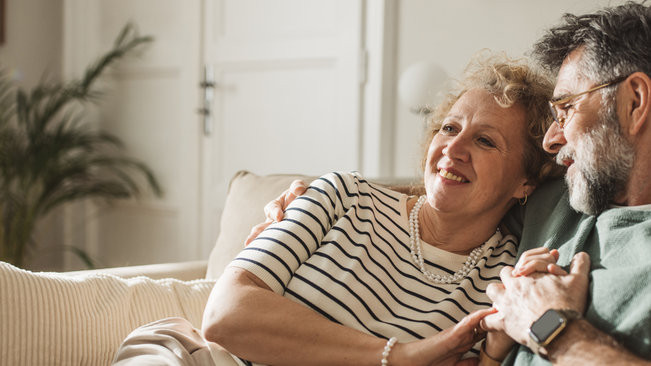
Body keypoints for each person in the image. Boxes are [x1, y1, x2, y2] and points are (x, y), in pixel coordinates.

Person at [256, 1, 651, 365]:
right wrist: (316, 196)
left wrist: (554, 329)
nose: (551, 139)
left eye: (566, 110)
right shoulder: (562, 199)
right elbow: (457, 187)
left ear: (634, 101)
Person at [111, 51, 563, 366]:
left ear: (527, 181)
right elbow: (225, 316)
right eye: (449, 127)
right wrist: (398, 356)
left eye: (485, 140)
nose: (453, 148)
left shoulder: (505, 280)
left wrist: (495, 352)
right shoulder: (341, 195)